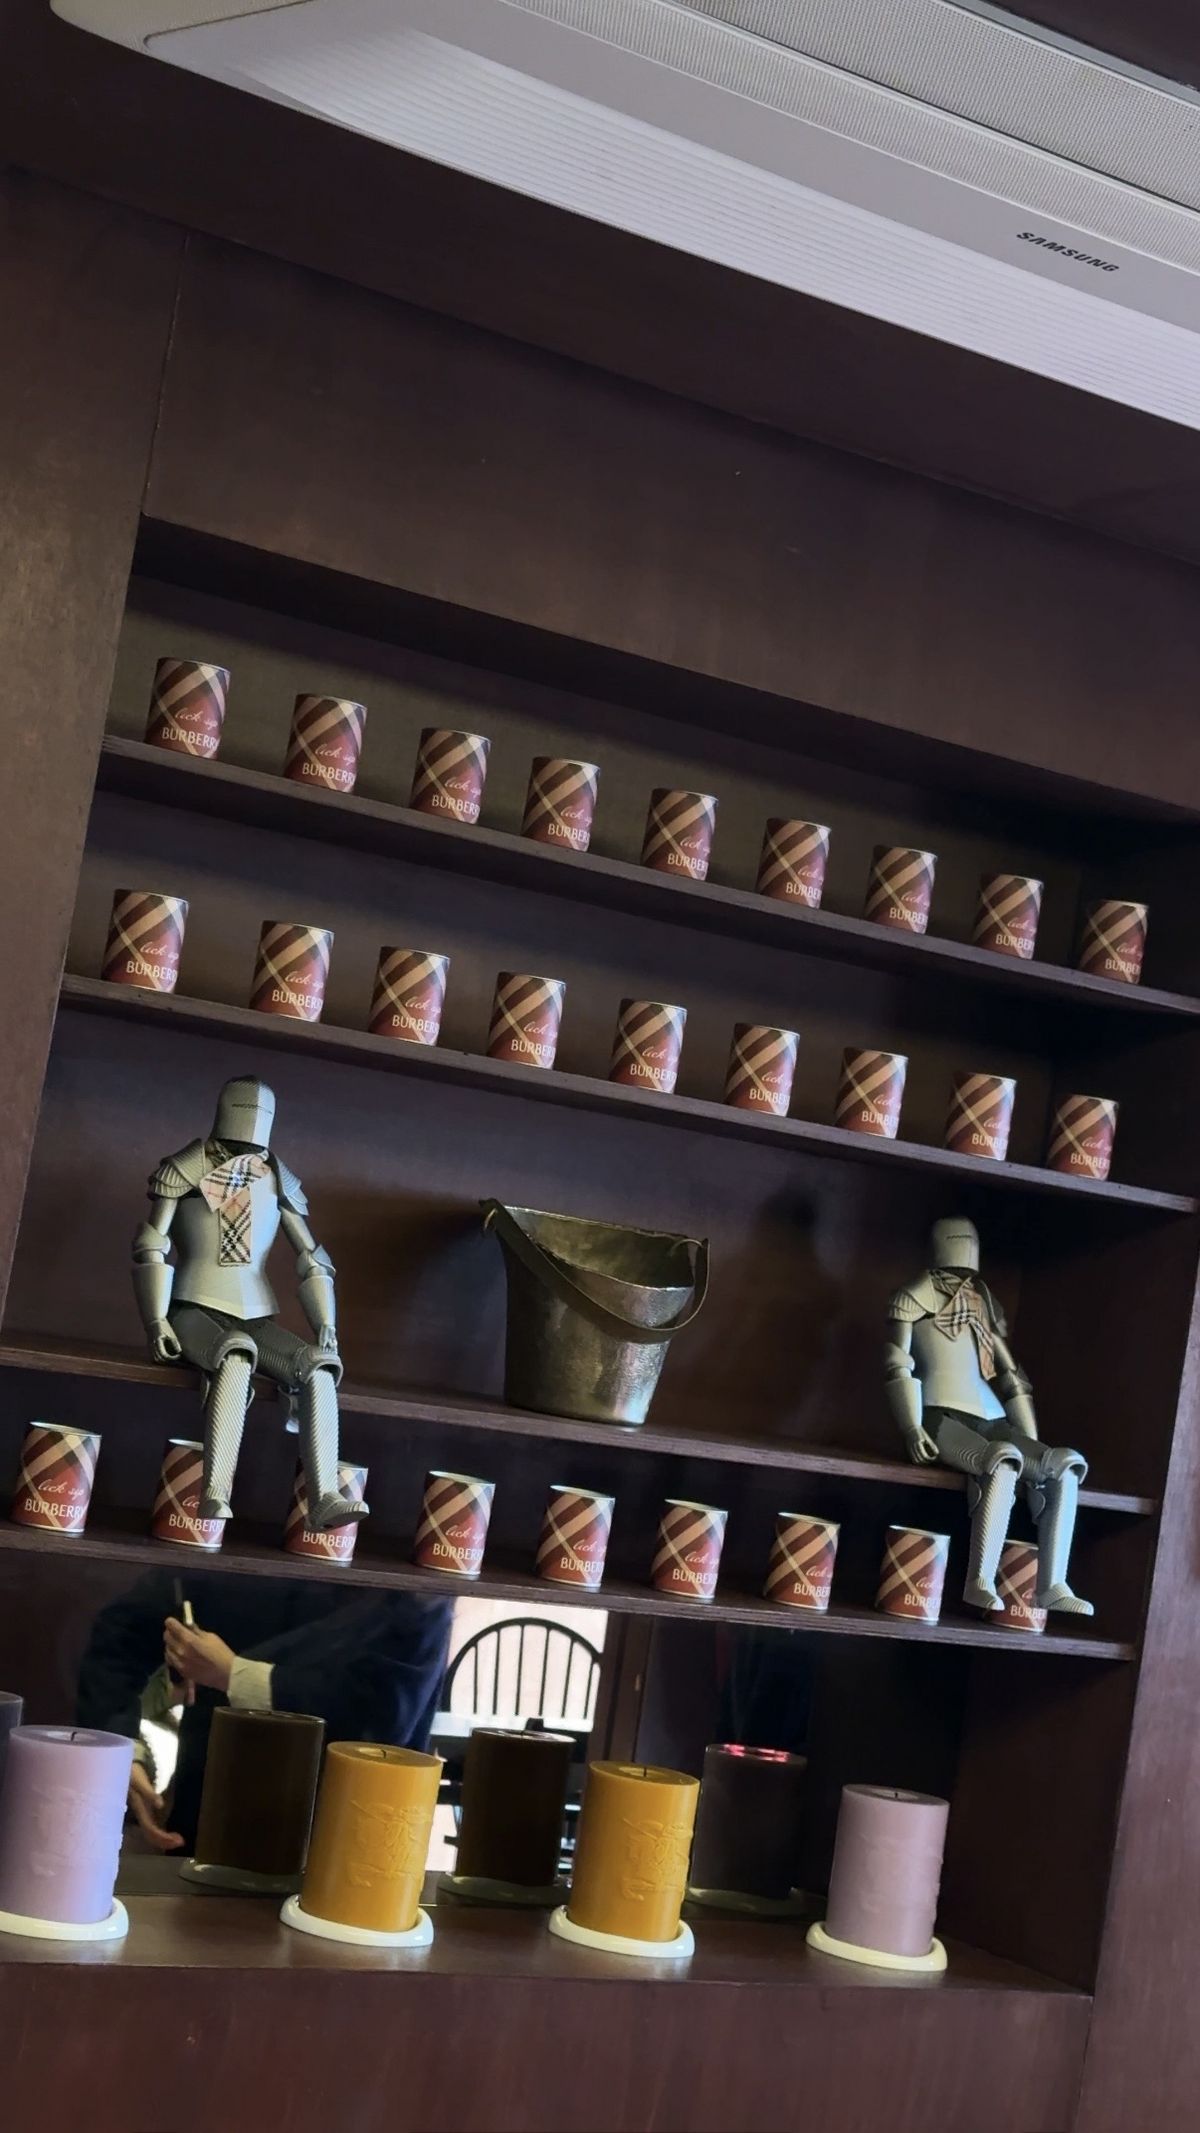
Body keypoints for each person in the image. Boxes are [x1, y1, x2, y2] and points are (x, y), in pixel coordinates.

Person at [76, 1573, 452, 1853]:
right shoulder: (240, 1524)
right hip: (210, 1808)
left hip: (348, 1827)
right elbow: (120, 1633)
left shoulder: (411, 1562)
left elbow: (381, 1716)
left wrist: (234, 1675)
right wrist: (120, 1749)